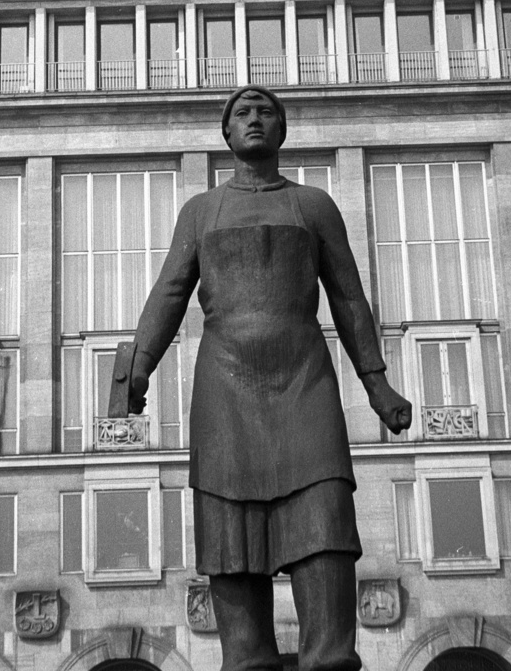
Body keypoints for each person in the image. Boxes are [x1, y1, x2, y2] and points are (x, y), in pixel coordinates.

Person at [123, 86, 412, 671]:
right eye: (242, 113)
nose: (255, 120)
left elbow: (349, 298)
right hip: (225, 390)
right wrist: (138, 366)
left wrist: (377, 384)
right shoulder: (202, 211)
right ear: (226, 134)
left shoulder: (314, 204)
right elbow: (169, 294)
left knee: (325, 530)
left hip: (304, 382)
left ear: (283, 130)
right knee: (232, 551)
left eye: (266, 112)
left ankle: (329, 658)